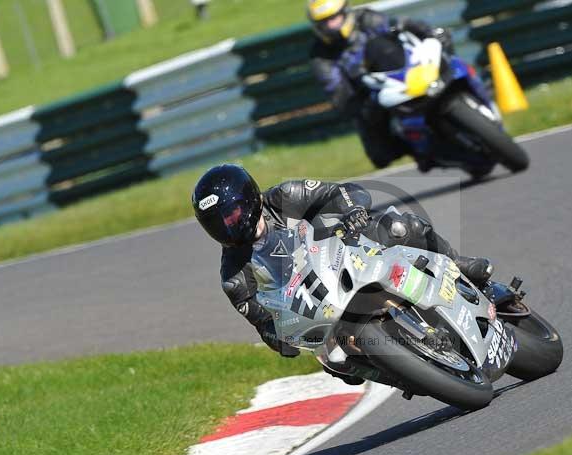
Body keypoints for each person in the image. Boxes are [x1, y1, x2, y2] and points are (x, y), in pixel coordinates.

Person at [192, 164, 493, 381]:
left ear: (249, 200)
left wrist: (352, 212)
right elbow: (264, 325)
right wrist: (283, 335)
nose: (227, 227)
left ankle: (458, 263)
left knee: (400, 226)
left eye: (230, 216)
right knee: (335, 361)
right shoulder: (234, 276)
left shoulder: (284, 197)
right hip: (318, 310)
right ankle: (405, 372)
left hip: (347, 255)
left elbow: (343, 193)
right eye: (216, 224)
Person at [307, 0, 453, 171]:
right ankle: (421, 151)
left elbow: (402, 24)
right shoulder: (321, 55)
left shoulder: (366, 19)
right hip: (376, 93)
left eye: (334, 17)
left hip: (409, 67)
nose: (331, 24)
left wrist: (429, 33)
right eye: (324, 22)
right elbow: (337, 92)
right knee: (380, 156)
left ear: (345, 12)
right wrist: (362, 104)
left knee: (444, 44)